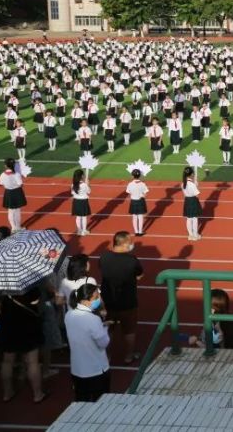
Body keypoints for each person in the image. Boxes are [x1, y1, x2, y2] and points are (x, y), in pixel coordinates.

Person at [99, 232, 143, 365]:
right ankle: (129, 356)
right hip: (128, 302)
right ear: (124, 244)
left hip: (108, 301)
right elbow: (139, 275)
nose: (131, 244)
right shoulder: (132, 260)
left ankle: (107, 355)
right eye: (130, 242)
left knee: (108, 329)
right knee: (129, 330)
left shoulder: (104, 257)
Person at [0, 289, 48, 403]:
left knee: (7, 361)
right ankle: (37, 394)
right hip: (27, 322)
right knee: (32, 361)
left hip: (7, 322)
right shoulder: (28, 281)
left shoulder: (0, 282)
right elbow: (36, 301)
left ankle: (7, 393)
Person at [65, 283, 110, 402]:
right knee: (101, 404)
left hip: (77, 370)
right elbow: (103, 343)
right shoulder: (93, 319)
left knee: (81, 403)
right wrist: (104, 328)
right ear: (85, 301)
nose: (99, 299)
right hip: (96, 370)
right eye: (96, 297)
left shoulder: (68, 315)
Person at [0, 158, 26, 232]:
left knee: (10, 211)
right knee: (17, 210)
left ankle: (13, 228)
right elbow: (20, 184)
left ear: (5, 166)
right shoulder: (16, 174)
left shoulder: (2, 174)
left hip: (8, 192)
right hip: (17, 192)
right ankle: (18, 227)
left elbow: (1, 183)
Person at [126, 169, 149, 237]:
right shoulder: (143, 184)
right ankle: (140, 232)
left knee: (134, 217)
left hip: (133, 201)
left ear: (133, 176)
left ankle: (136, 232)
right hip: (141, 201)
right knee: (140, 217)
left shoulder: (130, 184)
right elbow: (145, 194)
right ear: (140, 175)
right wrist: (141, 195)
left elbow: (129, 193)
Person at [182, 167, 202, 241]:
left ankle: (190, 235)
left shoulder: (183, 183)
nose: (194, 174)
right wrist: (196, 185)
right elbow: (197, 194)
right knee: (195, 218)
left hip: (187, 201)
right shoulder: (192, 185)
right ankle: (195, 234)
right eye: (193, 173)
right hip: (193, 200)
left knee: (188, 218)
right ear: (191, 174)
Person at [71, 169, 91, 237]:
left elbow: (72, 193)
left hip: (76, 201)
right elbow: (89, 192)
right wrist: (88, 184)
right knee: (84, 217)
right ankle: (84, 231)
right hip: (83, 201)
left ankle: (79, 230)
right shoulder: (84, 185)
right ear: (81, 176)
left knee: (78, 217)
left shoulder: (73, 184)